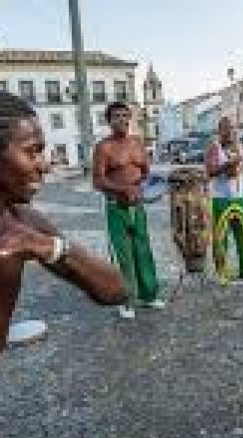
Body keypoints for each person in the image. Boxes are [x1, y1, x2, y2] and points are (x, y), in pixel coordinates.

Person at [0, 86, 127, 438]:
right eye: (33, 151)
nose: (46, 165)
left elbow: (115, 290)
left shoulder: (24, 224)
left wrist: (48, 248)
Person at [93, 102, 164, 319]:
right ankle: (125, 300)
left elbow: (145, 174)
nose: (122, 120)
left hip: (137, 207)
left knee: (143, 250)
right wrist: (123, 189)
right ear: (109, 120)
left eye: (125, 115)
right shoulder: (104, 147)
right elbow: (98, 181)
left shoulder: (137, 143)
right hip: (116, 208)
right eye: (117, 116)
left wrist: (149, 190)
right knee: (123, 256)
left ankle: (148, 295)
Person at [205, 117, 243, 284]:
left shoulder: (242, 148)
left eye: (233, 128)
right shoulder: (214, 148)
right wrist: (227, 165)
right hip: (220, 199)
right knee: (220, 239)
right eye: (226, 128)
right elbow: (209, 171)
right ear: (219, 130)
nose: (230, 131)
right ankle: (223, 273)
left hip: (239, 198)